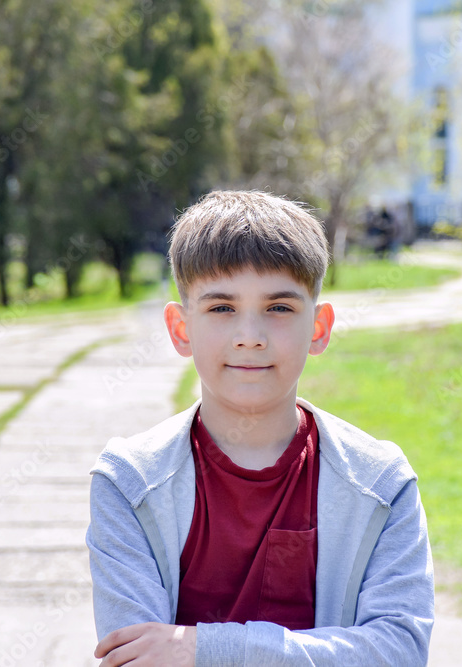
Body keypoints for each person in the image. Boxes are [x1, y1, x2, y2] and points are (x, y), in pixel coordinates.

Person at [85, 190, 435, 666]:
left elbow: (398, 652)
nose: (250, 335)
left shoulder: (380, 482)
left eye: (279, 308)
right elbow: (134, 658)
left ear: (319, 327)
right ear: (181, 329)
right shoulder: (128, 483)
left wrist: (204, 649)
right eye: (222, 308)